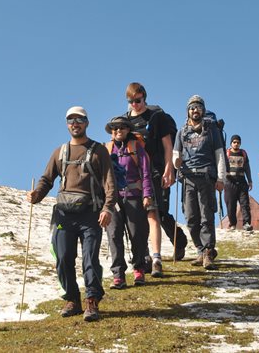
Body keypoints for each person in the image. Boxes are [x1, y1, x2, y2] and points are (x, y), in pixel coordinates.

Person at [27, 106, 116, 322]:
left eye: (79, 120)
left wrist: (107, 208)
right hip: (63, 215)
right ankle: (72, 300)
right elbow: (47, 179)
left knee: (90, 258)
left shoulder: (98, 151)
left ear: (87, 122)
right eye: (71, 120)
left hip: (91, 214)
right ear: (67, 124)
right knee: (64, 257)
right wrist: (36, 194)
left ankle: (92, 300)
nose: (75, 124)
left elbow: (109, 182)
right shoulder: (60, 152)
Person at [124, 82, 187, 276]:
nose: (135, 105)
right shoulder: (125, 121)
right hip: (135, 176)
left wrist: (170, 169)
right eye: (131, 101)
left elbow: (167, 145)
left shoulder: (156, 117)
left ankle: (179, 240)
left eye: (138, 100)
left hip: (158, 170)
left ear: (144, 97)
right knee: (140, 216)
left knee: (159, 211)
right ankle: (145, 257)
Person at [172, 95, 227, 270]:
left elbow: (220, 154)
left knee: (206, 216)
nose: (195, 110)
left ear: (203, 110)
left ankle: (209, 251)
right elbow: (175, 153)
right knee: (190, 217)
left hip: (206, 177)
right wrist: (176, 162)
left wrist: (220, 178)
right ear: (187, 111)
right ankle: (200, 249)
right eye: (192, 107)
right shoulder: (182, 132)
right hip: (188, 178)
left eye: (198, 107)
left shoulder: (212, 130)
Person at [103, 115, 153, 289]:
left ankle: (139, 269)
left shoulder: (136, 147)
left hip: (134, 195)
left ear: (127, 130)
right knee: (114, 234)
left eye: (122, 128)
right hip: (112, 199)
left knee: (137, 233)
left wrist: (147, 194)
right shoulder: (106, 150)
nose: (118, 131)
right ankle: (118, 275)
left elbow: (145, 172)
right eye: (115, 128)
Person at [224, 134, 253, 231]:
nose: (236, 144)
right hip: (229, 182)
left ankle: (247, 224)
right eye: (234, 142)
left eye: (238, 142)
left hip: (242, 181)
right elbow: (221, 166)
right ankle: (232, 224)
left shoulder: (243, 153)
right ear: (231, 143)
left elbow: (247, 168)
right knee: (230, 205)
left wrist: (250, 180)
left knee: (245, 204)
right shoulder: (226, 153)